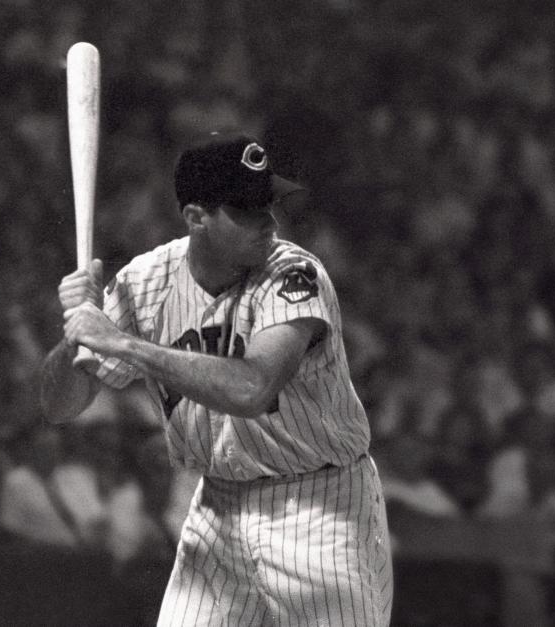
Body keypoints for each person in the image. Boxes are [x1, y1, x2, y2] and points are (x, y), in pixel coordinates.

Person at [39, 132, 393, 626]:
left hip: (319, 506)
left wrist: (121, 342)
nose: (268, 222)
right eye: (246, 210)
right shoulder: (146, 282)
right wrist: (77, 329)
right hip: (217, 507)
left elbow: (252, 389)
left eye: (268, 204)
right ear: (196, 218)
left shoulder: (294, 273)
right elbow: (60, 406)